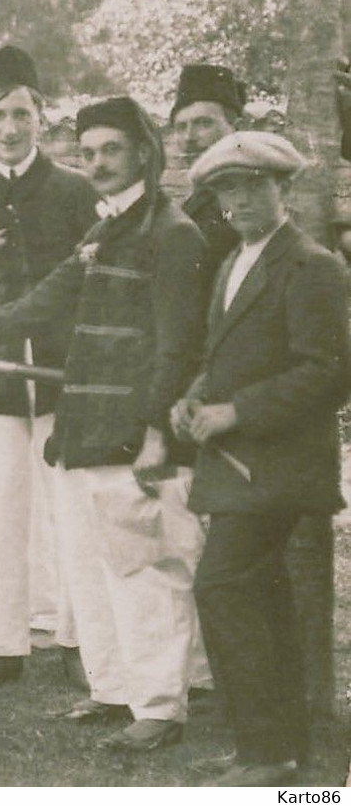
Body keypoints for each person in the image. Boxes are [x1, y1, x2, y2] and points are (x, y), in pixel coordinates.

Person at [0, 96, 207, 754]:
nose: (98, 162)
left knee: (145, 566)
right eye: (89, 150)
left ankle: (159, 706)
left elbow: (177, 347)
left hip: (135, 432)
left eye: (111, 149)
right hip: (81, 427)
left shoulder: (170, 231)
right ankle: (112, 689)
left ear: (142, 153)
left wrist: (158, 434)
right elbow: (37, 303)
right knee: (91, 563)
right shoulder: (103, 231)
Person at [176, 132, 350, 786]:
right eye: (226, 189)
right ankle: (277, 747)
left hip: (279, 467)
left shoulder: (310, 264)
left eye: (252, 185)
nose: (238, 200)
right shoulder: (235, 261)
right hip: (237, 465)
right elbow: (224, 352)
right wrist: (195, 395)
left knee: (221, 585)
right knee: (260, 595)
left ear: (282, 188)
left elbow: (327, 372)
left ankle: (265, 749)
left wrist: (237, 412)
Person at [0, 47, 99, 690]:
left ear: (42, 117)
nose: (10, 127)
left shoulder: (75, 192)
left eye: (21, 113)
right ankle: (2, 645)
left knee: (71, 512)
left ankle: (81, 641)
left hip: (64, 376)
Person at [169, 63, 243, 264]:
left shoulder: (243, 199)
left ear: (236, 129)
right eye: (181, 127)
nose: (189, 137)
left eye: (204, 123)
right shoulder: (196, 199)